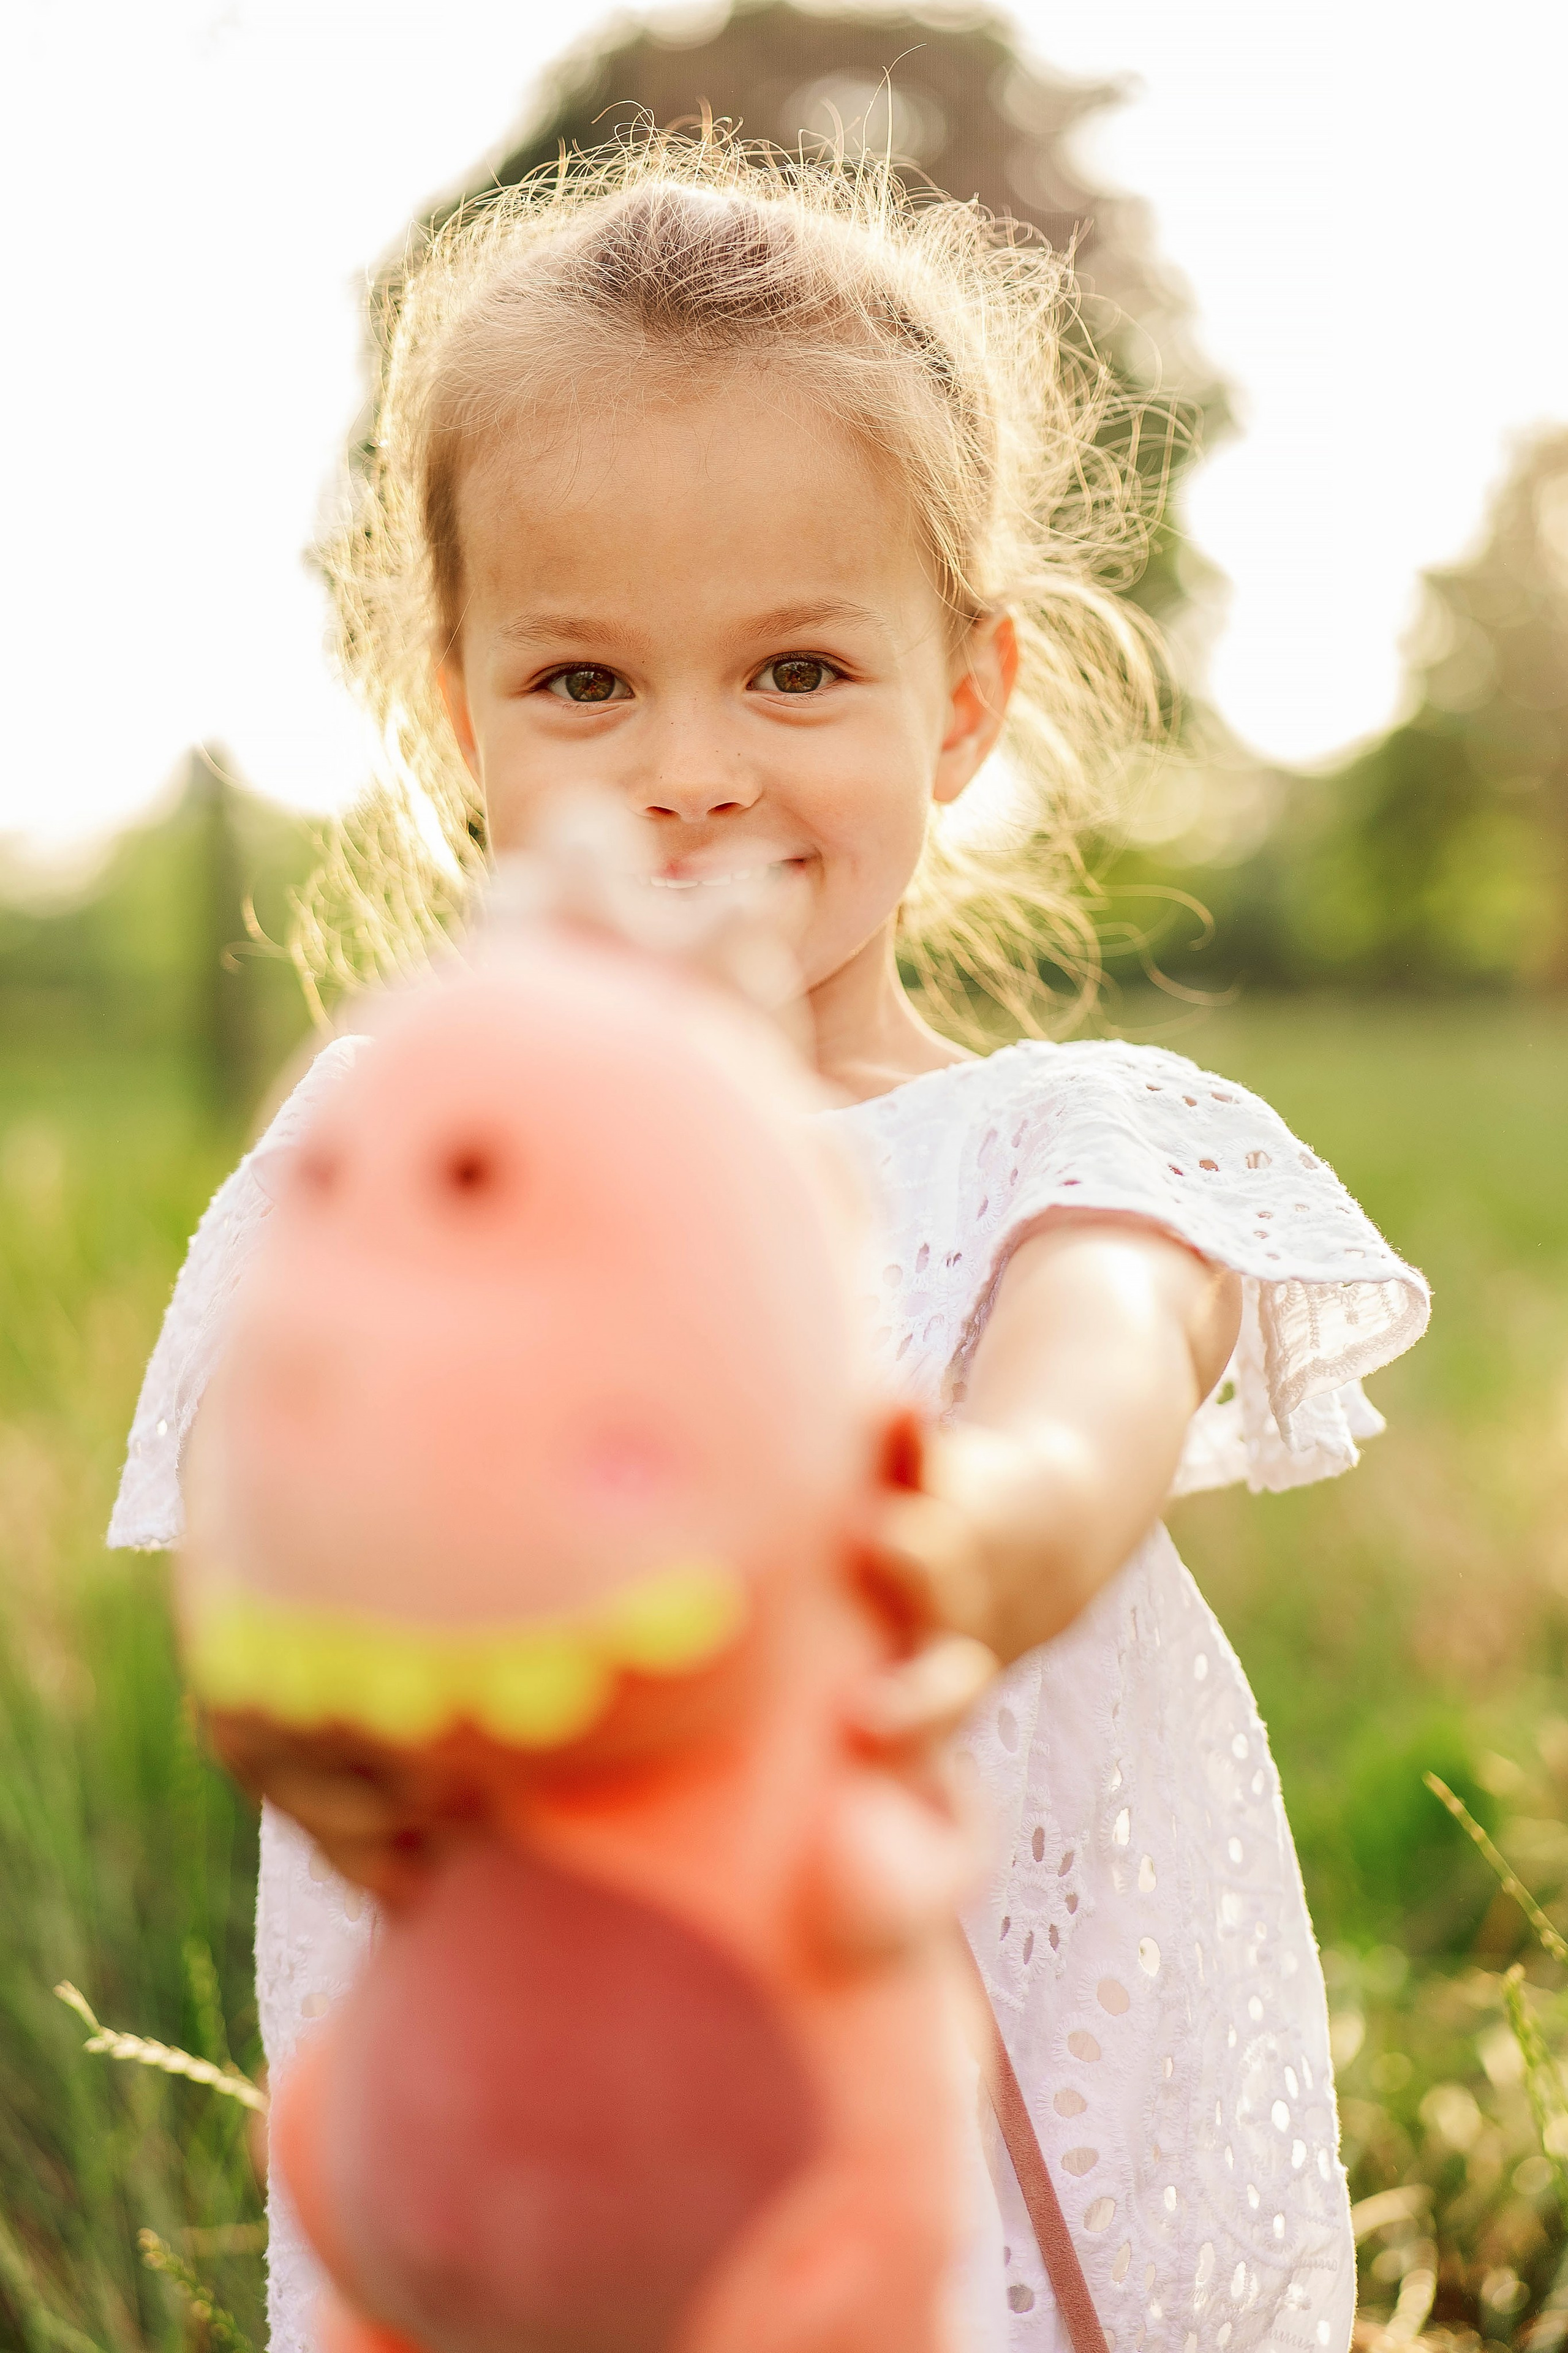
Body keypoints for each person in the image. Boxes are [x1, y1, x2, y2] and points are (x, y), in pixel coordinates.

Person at [110, 138, 1428, 2353]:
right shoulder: (412, 1144)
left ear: (972, 699)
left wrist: (938, 1544)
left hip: (959, 2098)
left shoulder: (1064, 1140)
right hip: (538, 2105)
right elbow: (292, 1488)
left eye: (800, 670)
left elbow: (1084, 1420)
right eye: (586, 685)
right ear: (458, 712)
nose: (693, 771)